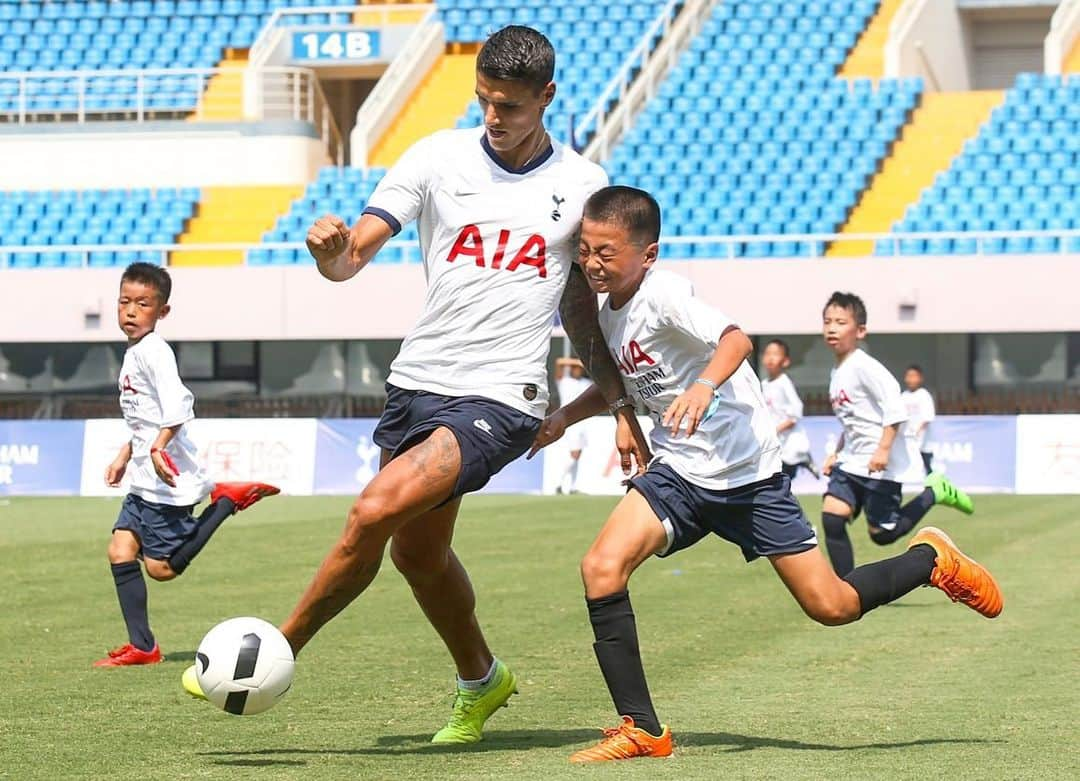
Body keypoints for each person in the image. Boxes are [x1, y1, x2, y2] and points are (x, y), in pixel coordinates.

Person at [183, 26, 651, 743]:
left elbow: (582, 311)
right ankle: (482, 679)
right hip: (418, 384)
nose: (495, 117)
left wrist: (618, 404)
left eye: (512, 107)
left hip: (503, 397)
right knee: (417, 554)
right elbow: (350, 262)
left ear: (547, 98)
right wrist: (330, 256)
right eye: (486, 101)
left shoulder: (581, 187)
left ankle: (270, 652)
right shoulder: (435, 157)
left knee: (372, 512)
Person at [529, 187, 1003, 763]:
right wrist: (562, 419)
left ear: (647, 254)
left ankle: (931, 560)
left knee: (832, 607)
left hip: (749, 476)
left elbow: (736, 340)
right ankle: (642, 730)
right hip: (681, 471)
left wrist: (704, 387)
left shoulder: (666, 294)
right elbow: (628, 385)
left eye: (606, 252)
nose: (592, 263)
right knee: (601, 567)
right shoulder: (608, 314)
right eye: (585, 250)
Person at [98, 263, 278, 668]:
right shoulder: (135, 353)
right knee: (120, 550)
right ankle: (143, 647)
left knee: (161, 570)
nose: (130, 311)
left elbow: (180, 405)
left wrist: (159, 448)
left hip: (168, 481)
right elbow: (143, 416)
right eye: (124, 301)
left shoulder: (155, 352)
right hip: (144, 480)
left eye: (142, 304)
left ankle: (225, 503)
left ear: (162, 312)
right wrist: (126, 455)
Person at [821, 293, 972, 577]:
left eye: (841, 322)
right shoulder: (837, 371)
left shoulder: (865, 367)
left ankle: (934, 492)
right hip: (852, 462)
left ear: (860, 331)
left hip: (881, 465)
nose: (832, 328)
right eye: (828, 321)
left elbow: (896, 409)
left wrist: (883, 450)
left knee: (882, 535)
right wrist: (836, 452)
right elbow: (852, 420)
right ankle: (846, 588)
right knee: (832, 518)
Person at [760, 338, 818, 479]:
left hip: (789, 440)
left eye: (775, 354)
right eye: (767, 353)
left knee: (783, 476)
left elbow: (796, 413)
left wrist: (778, 429)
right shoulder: (764, 384)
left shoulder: (784, 382)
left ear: (785, 361)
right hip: (775, 441)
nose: (770, 358)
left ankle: (804, 460)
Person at [554, 357, 593, 493]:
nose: (577, 370)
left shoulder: (586, 383)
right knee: (574, 454)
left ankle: (572, 487)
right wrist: (577, 362)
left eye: (579, 368)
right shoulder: (564, 381)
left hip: (583, 422)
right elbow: (559, 363)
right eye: (575, 368)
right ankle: (559, 483)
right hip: (570, 422)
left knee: (578, 455)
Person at [902, 364, 936, 475]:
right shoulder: (903, 396)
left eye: (914, 376)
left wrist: (918, 433)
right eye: (909, 376)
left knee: (927, 468)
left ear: (920, 378)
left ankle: (932, 489)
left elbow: (927, 418)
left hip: (923, 441)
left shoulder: (924, 395)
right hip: (907, 439)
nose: (911, 379)